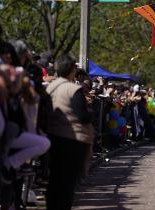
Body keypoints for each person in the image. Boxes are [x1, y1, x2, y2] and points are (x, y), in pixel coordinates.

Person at [45, 54, 94, 210]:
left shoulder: (49, 87)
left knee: (54, 177)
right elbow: (82, 117)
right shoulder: (74, 89)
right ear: (72, 70)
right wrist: (90, 110)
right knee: (68, 181)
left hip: (52, 136)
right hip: (72, 138)